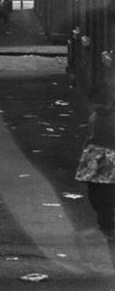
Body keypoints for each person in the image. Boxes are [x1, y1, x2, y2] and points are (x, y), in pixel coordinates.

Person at [76, 79, 115, 243]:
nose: (99, 106)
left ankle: (107, 221)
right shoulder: (93, 117)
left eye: (103, 103)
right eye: (96, 103)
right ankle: (104, 217)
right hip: (94, 157)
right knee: (94, 192)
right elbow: (89, 136)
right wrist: (84, 154)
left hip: (110, 159)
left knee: (107, 192)